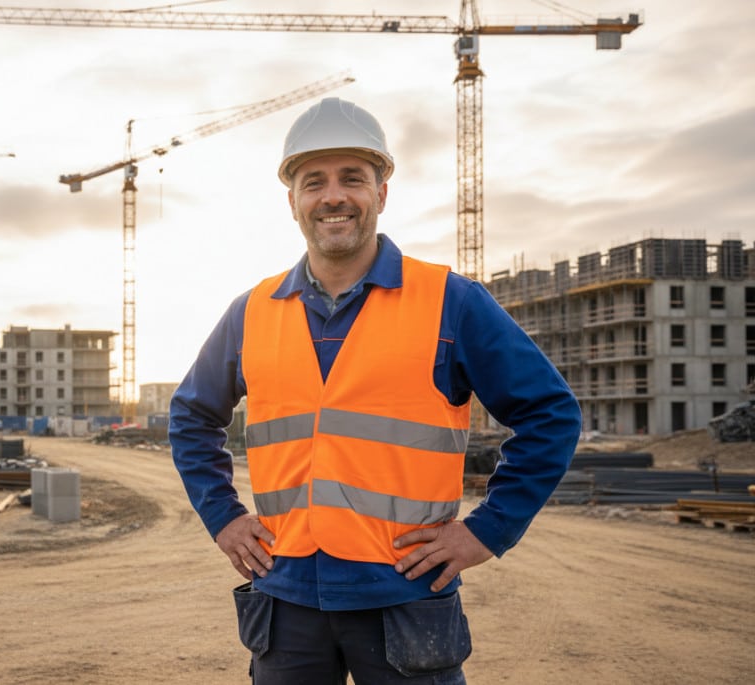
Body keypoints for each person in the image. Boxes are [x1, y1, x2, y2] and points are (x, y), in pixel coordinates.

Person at [168, 97, 581, 684]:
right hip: (286, 604)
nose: (333, 196)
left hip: (406, 597)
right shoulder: (252, 312)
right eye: (314, 182)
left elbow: (551, 414)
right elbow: (189, 418)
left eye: (352, 179)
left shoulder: (450, 301)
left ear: (382, 193)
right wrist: (225, 518)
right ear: (292, 202)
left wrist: (487, 531)